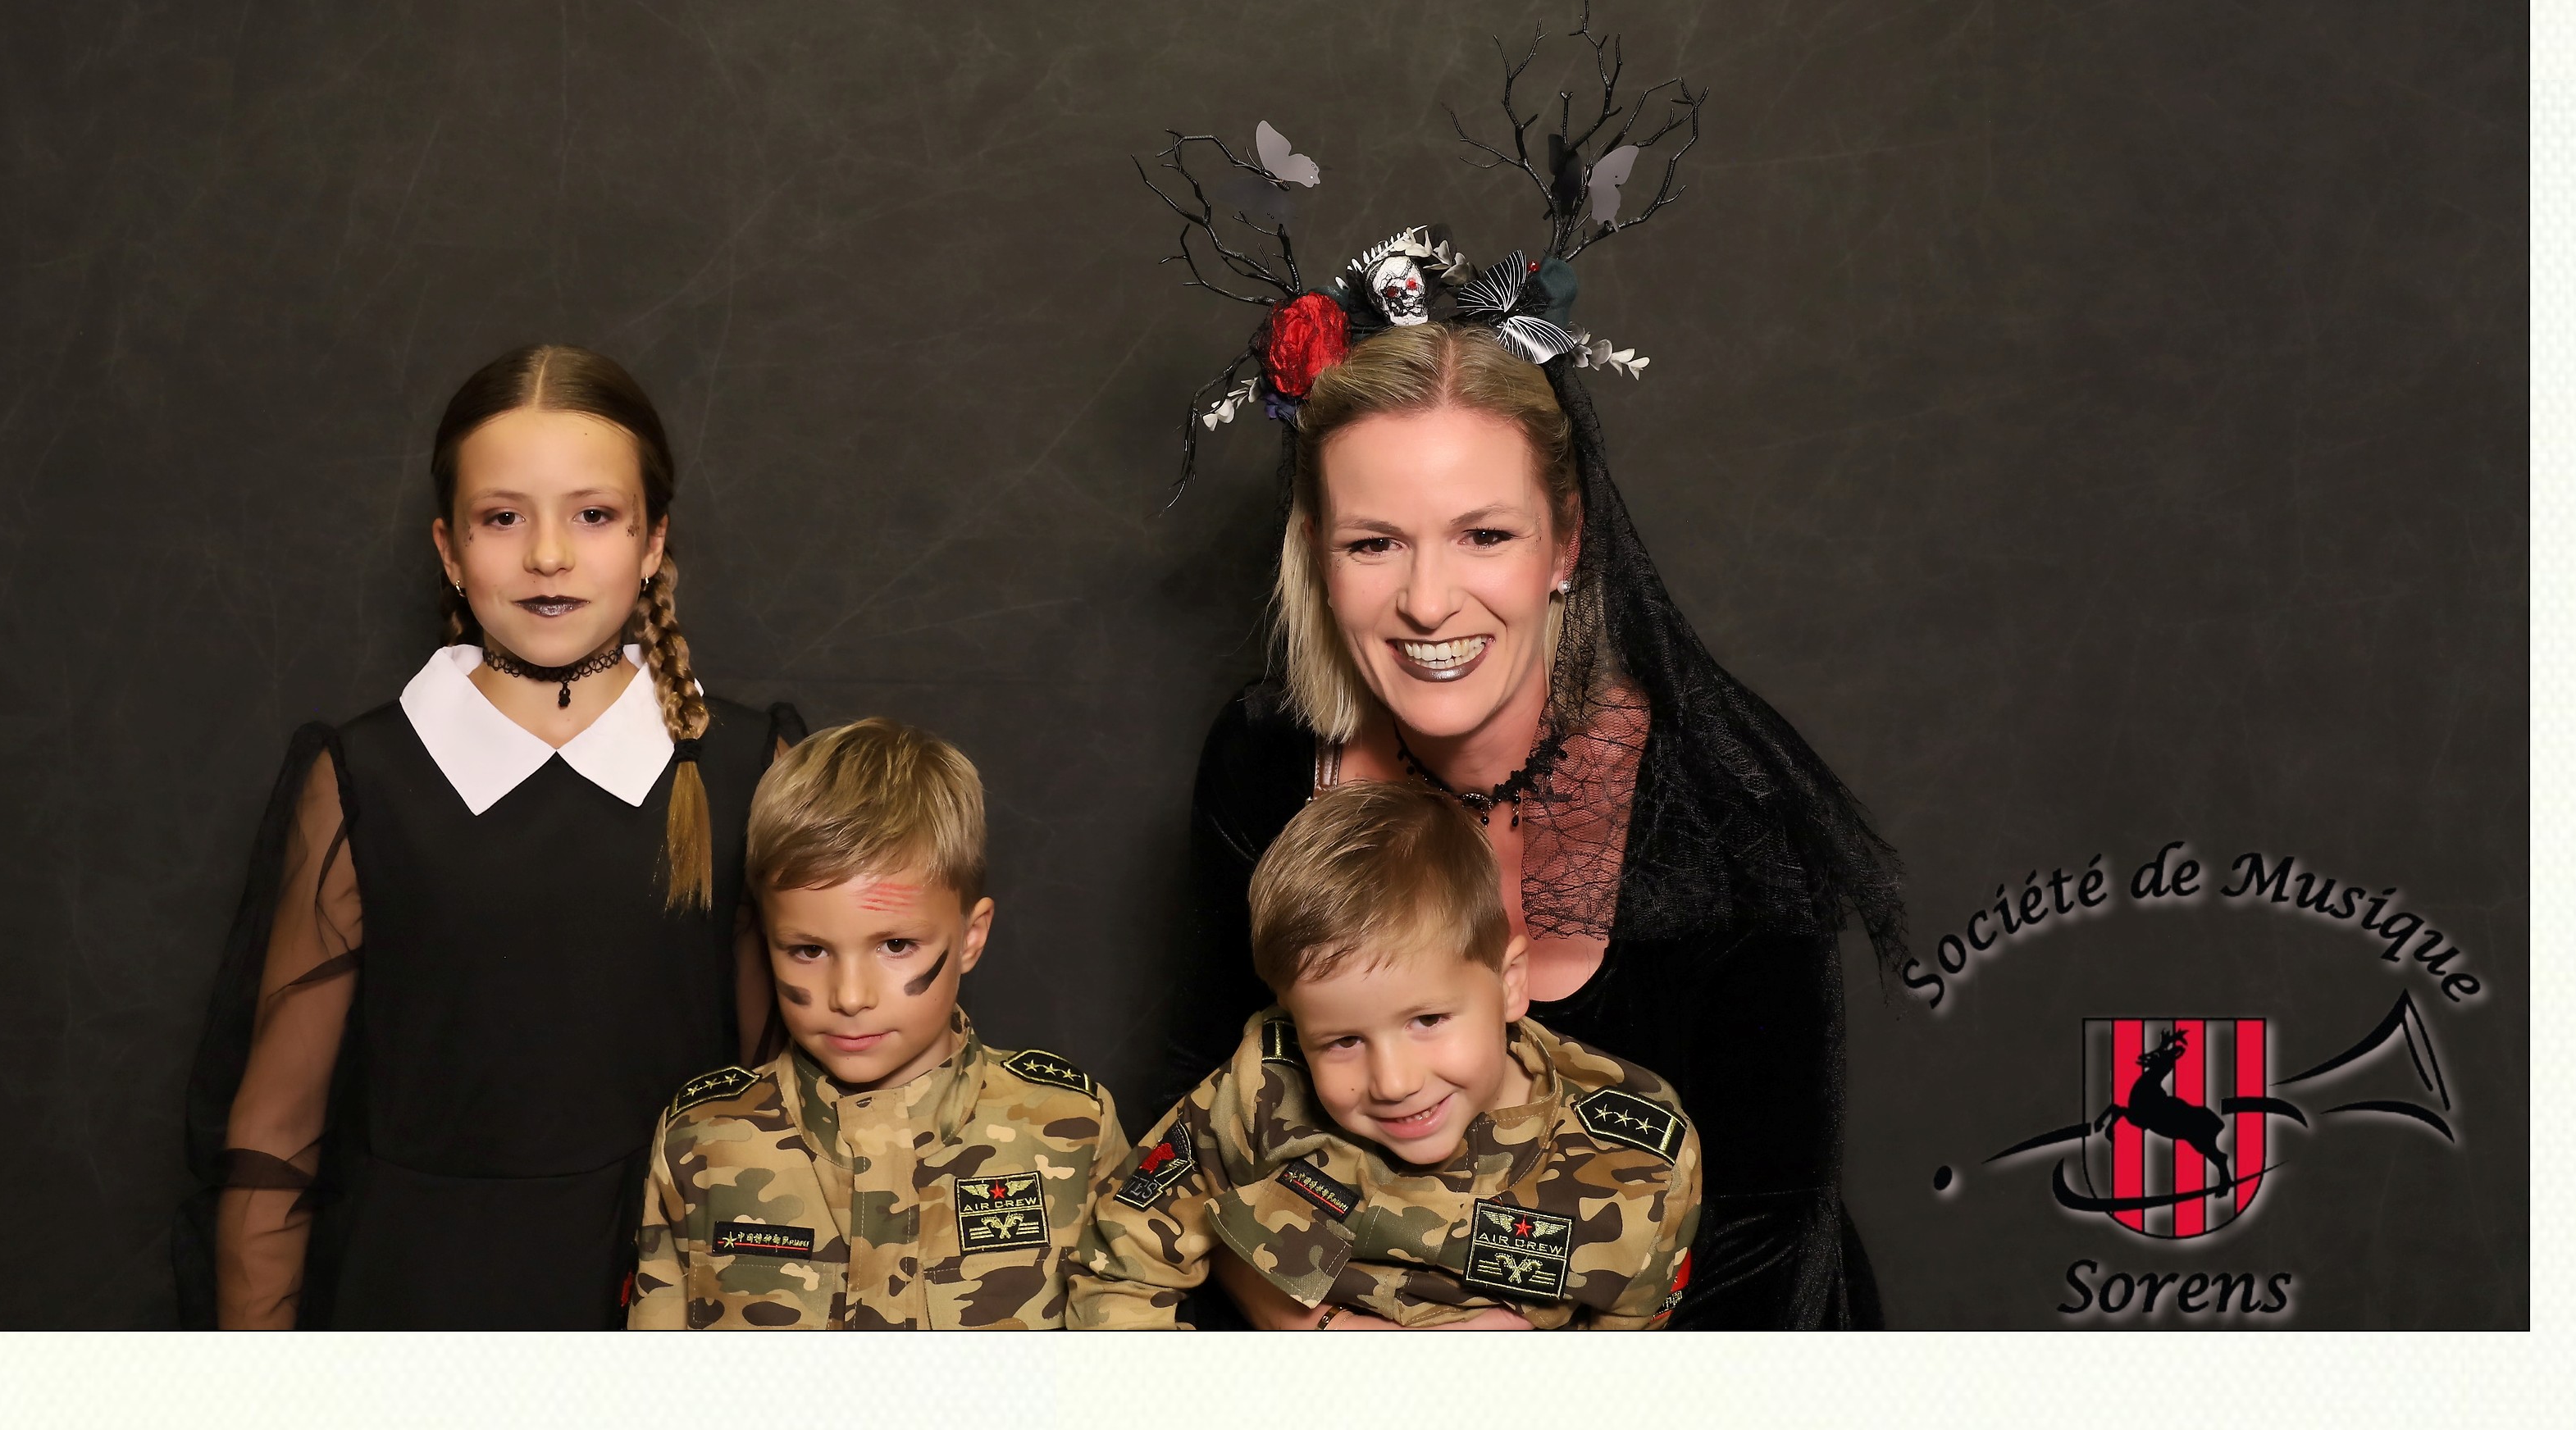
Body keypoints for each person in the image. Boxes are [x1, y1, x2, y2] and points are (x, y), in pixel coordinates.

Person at [1142, 75, 1906, 1329]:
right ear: (1317, 556)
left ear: (1566, 542)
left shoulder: (1727, 809)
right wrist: (1325, 1343)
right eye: (1375, 543)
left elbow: (1771, 1241)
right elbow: (1198, 1135)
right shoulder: (1265, 766)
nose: (1427, 602)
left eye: (1483, 535)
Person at [175, 344, 801, 1328]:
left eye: (593, 515)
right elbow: (274, 1134)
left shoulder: (745, 767)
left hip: (674, 1300)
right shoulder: (367, 776)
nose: (548, 555)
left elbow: (797, 1106)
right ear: (448, 549)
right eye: (503, 517)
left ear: (652, 541)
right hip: (419, 1303)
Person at [1072, 781, 1699, 1330]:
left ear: (1510, 983)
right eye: (1343, 1041)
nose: (1393, 1082)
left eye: (1427, 1021)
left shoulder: (1639, 1166)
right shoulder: (1262, 1089)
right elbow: (1118, 1260)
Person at [629, 718, 1127, 1329]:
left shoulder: (1070, 1128)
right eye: (808, 950)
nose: (849, 996)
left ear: (971, 937)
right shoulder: (703, 1137)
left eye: (895, 945)